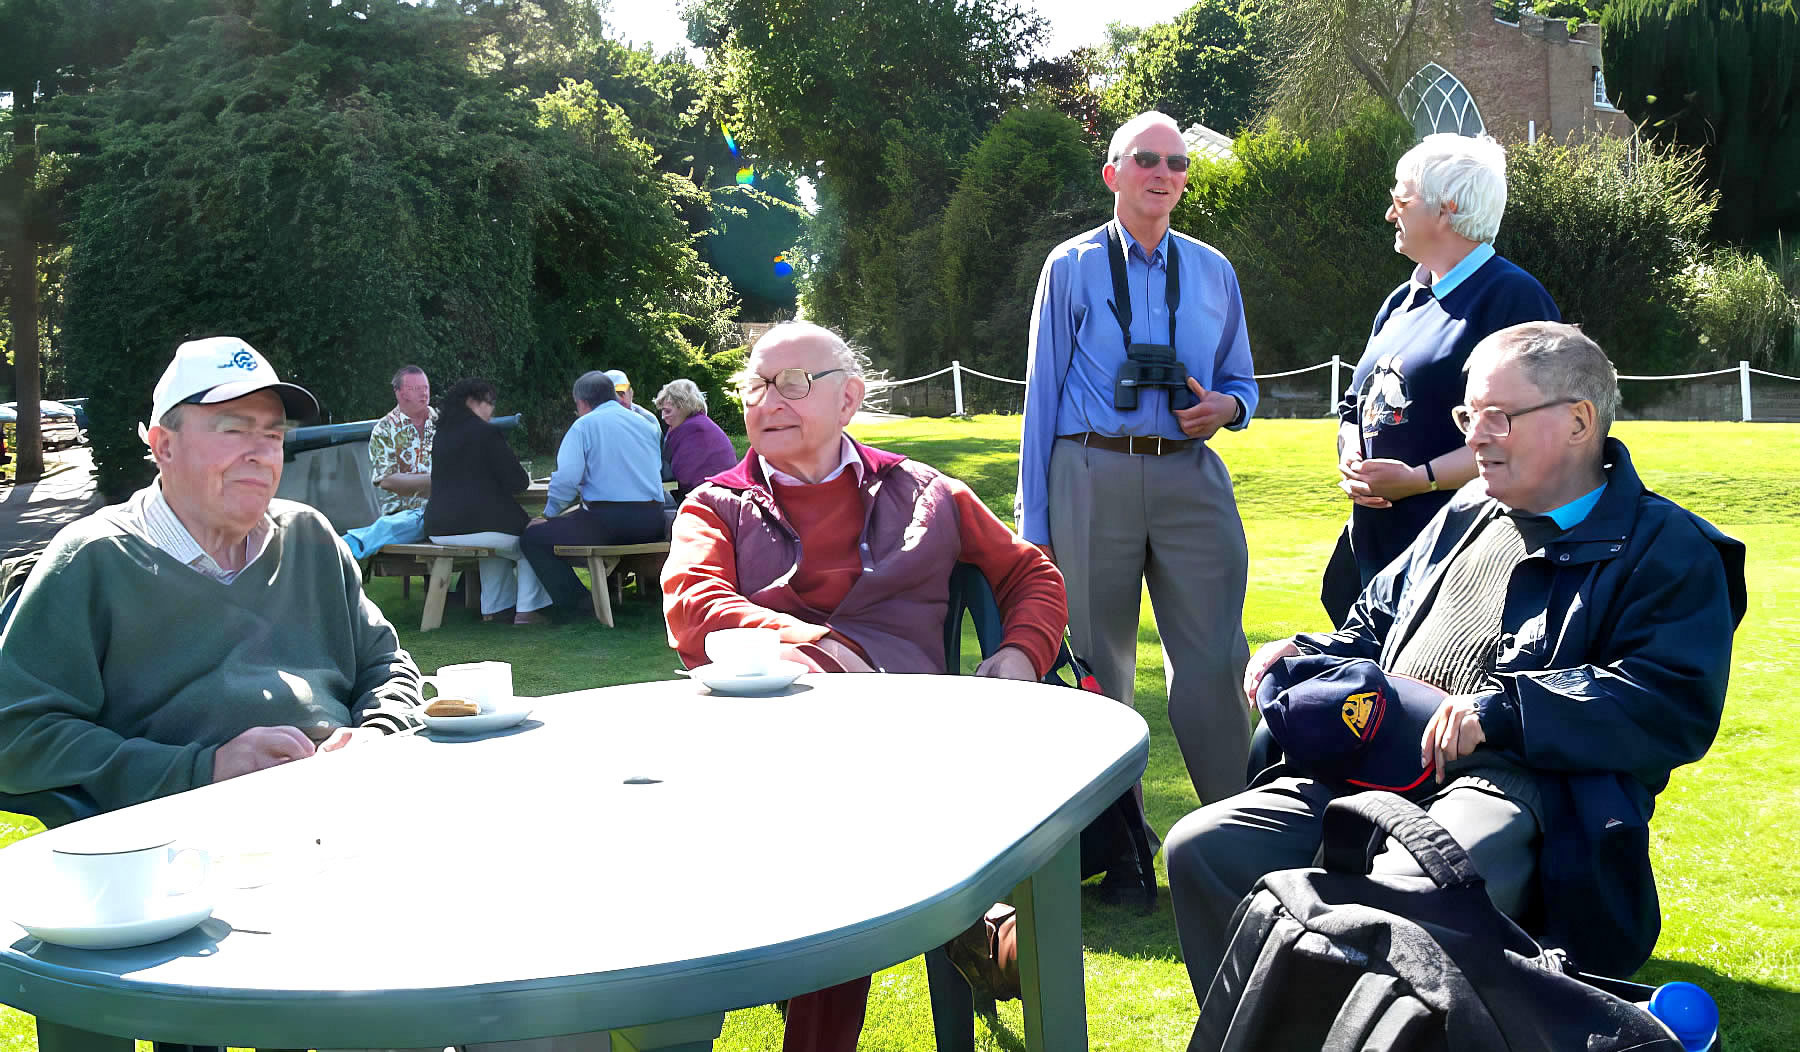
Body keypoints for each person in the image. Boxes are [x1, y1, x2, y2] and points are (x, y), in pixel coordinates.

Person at [1164, 322, 1746, 999]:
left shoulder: (1669, 548)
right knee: (1203, 847)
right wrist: (1309, 651)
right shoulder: (1467, 508)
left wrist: (1504, 712)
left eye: (1499, 416)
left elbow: (1669, 701)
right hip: (1378, 752)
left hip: (1522, 786)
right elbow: (1375, 620)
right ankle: (1268, 1034)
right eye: (1469, 416)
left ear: (1580, 421)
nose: (1475, 438)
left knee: (1405, 894)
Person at [661, 321, 1066, 1050]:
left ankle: (953, 920)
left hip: (905, 745)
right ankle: (969, 921)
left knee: (834, 839)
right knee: (825, 833)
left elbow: (1030, 572)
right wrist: (822, 647)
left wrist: (1018, 656)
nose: (767, 401)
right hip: (759, 753)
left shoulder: (928, 493)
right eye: (755, 385)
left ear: (848, 398)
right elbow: (694, 605)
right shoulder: (716, 505)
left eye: (791, 383)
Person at [0, 337, 424, 813]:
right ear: (164, 445)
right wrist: (204, 770)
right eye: (234, 430)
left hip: (344, 805)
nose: (261, 452)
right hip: (186, 836)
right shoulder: (93, 558)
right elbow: (17, 736)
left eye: (273, 435)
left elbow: (387, 665)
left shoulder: (311, 538)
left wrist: (377, 734)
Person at [1016, 109, 1260, 806]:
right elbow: (1042, 393)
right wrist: (1036, 523)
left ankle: (1235, 828)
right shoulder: (1071, 265)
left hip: (1191, 476)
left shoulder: (1213, 269)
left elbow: (1242, 382)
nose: (1164, 173)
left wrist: (1226, 409)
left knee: (1216, 661)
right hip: (1092, 471)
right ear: (1113, 174)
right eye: (1146, 159)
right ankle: (1117, 840)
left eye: (1177, 163)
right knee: (1100, 666)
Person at [1328, 134, 1559, 621]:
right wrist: (1352, 456)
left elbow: (1531, 435)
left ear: (1446, 208)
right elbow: (1353, 407)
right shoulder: (1401, 299)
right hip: (1375, 553)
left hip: (1461, 561)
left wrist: (1421, 480)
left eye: (1400, 199)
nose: (1390, 214)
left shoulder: (1513, 299)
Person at [520, 370, 666, 617]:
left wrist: (549, 515)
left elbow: (567, 479)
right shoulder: (647, 425)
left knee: (532, 537)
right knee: (575, 522)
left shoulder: (584, 426)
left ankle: (579, 604)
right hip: (652, 521)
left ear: (582, 403)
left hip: (606, 523)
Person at [423, 378, 553, 626]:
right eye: (490, 403)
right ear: (472, 402)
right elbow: (518, 482)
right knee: (532, 541)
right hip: (478, 524)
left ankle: (496, 609)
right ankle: (528, 609)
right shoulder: (486, 432)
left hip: (439, 528)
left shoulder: (441, 437)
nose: (492, 410)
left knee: (496, 547)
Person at [653, 378, 738, 499]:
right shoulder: (699, 424)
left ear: (683, 407)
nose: (663, 417)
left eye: (667, 411)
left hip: (710, 499)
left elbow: (681, 476)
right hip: (720, 494)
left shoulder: (693, 429)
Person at [369, 365, 435, 515]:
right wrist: (437, 480)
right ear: (399, 393)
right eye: (416, 389)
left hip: (443, 510)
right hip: (401, 516)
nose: (424, 393)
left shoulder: (444, 422)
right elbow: (386, 480)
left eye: (426, 387)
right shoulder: (384, 429)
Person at [604, 368, 662, 434]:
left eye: (621, 393)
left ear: (631, 392)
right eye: (614, 395)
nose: (620, 399)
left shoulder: (647, 419)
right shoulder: (598, 421)